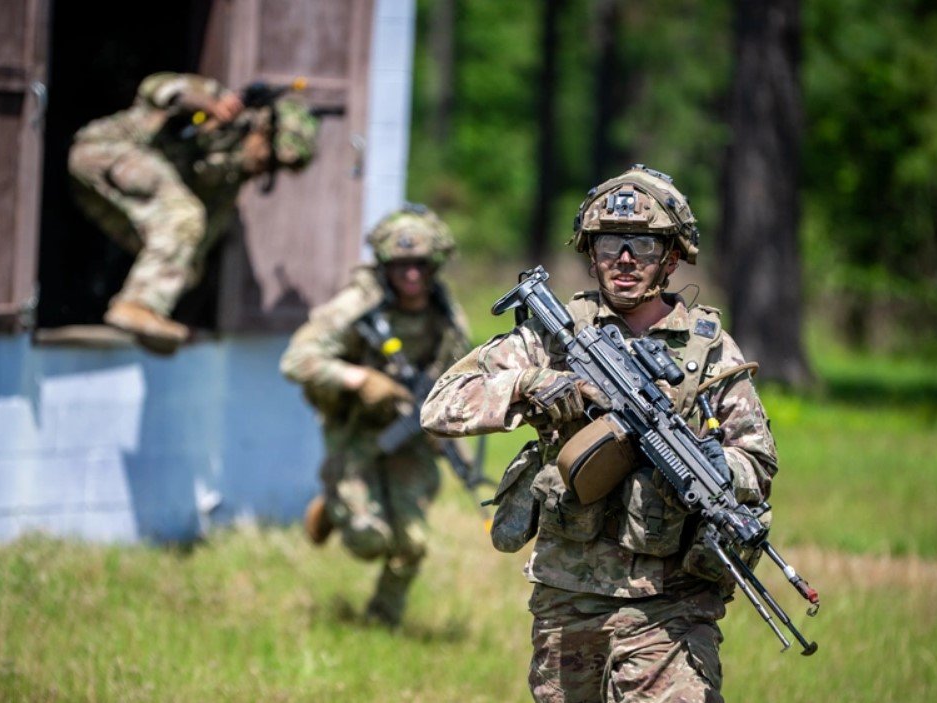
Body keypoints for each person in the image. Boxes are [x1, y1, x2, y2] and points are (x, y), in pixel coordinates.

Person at [420, 165, 779, 702]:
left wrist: (714, 465)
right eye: (611, 243)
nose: (625, 258)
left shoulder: (708, 350)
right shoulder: (552, 337)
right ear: (591, 253)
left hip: (671, 603)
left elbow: (758, 462)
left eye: (643, 244)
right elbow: (440, 405)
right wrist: (532, 384)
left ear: (672, 258)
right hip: (568, 598)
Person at [280, 205, 472, 627]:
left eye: (421, 264)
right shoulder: (357, 305)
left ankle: (381, 621)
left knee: (413, 543)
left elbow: (459, 376)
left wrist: (449, 430)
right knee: (369, 539)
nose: (412, 274)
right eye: (400, 264)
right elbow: (295, 359)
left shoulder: (446, 314)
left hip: (411, 433)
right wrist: (358, 378)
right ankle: (335, 506)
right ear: (384, 264)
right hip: (356, 427)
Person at [69, 72, 319, 353]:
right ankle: (137, 306)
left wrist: (190, 267)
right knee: (183, 216)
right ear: (263, 130)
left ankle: (144, 323)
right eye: (267, 157)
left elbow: (198, 239)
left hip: (100, 194)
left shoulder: (230, 178)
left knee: (187, 261)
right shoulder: (218, 99)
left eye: (273, 168)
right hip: (107, 151)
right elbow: (155, 87)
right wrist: (208, 105)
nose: (263, 167)